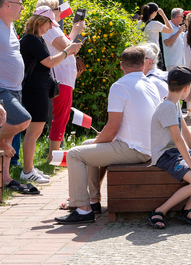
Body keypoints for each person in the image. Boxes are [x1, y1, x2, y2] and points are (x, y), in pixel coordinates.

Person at [56, 46, 162, 223]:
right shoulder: (150, 84)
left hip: (134, 149)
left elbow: (113, 127)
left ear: (121, 65)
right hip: (148, 146)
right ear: (144, 64)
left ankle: (83, 210)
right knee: (88, 146)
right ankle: (93, 201)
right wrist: (96, 142)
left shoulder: (120, 86)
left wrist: (97, 142)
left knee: (75, 155)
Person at [18, 7, 82, 185]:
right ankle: (27, 170)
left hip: (38, 88)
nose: (49, 28)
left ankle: (29, 168)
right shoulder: (31, 40)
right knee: (34, 131)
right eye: (48, 24)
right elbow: (49, 62)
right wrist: (67, 51)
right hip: (35, 89)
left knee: (35, 131)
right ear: (40, 22)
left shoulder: (35, 39)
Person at [148, 66, 191, 229]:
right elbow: (178, 140)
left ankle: (189, 208)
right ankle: (159, 211)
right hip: (165, 155)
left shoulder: (174, 103)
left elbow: (185, 131)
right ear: (186, 88)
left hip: (175, 153)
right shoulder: (167, 107)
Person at [36, 0, 86, 157]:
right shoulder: (50, 28)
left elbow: (71, 47)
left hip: (65, 77)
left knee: (62, 116)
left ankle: (54, 154)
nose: (61, 10)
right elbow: (69, 48)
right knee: (61, 116)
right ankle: (54, 154)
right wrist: (76, 33)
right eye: (58, 7)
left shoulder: (54, 28)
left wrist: (75, 31)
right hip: (60, 77)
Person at [0, 0, 31, 194]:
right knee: (22, 120)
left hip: (15, 87)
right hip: (2, 88)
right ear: (6, 5)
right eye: (19, 3)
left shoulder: (11, 27)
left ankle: (5, 178)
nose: (22, 7)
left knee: (11, 135)